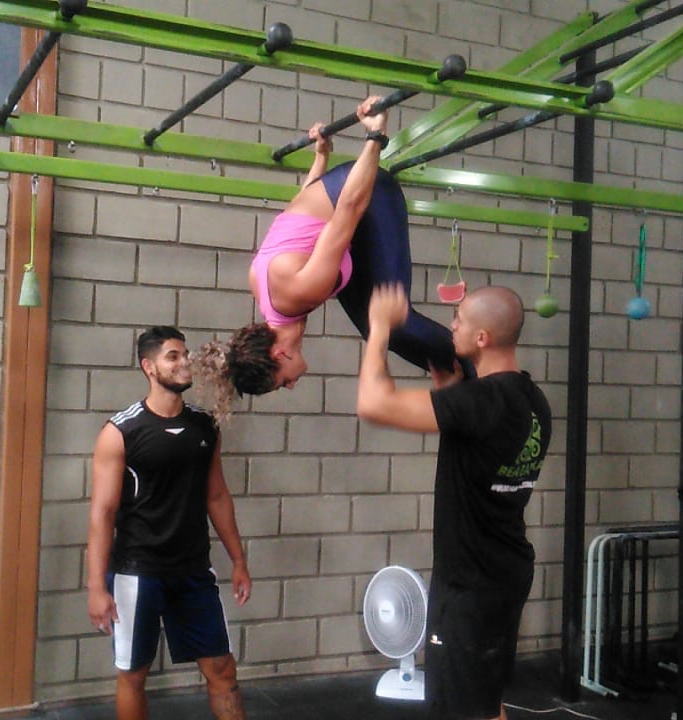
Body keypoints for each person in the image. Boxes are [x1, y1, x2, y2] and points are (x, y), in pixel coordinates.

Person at [194, 96, 467, 418]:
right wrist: (321, 157)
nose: (291, 386)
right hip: (343, 199)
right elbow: (302, 207)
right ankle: (458, 378)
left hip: (368, 194)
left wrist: (375, 136)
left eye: (283, 382)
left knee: (398, 322)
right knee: (376, 330)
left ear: (279, 354)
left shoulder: (299, 291)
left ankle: (482, 371)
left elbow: (349, 208)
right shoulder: (270, 300)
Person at [356, 284, 552, 720]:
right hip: (505, 572)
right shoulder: (532, 400)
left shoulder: (480, 402)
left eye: (459, 319)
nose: (451, 326)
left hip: (469, 586)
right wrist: (450, 392)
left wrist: (379, 327)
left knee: (462, 710)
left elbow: (373, 403)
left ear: (482, 338)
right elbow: (482, 441)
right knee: (484, 702)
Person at [86, 325, 252, 720]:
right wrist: (96, 587)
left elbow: (217, 496)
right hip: (137, 572)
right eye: (172, 356)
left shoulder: (205, 427)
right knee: (133, 675)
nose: (184, 362)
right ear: (149, 367)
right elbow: (102, 513)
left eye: (185, 354)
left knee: (222, 668)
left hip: (193, 570)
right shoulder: (120, 432)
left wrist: (238, 560)